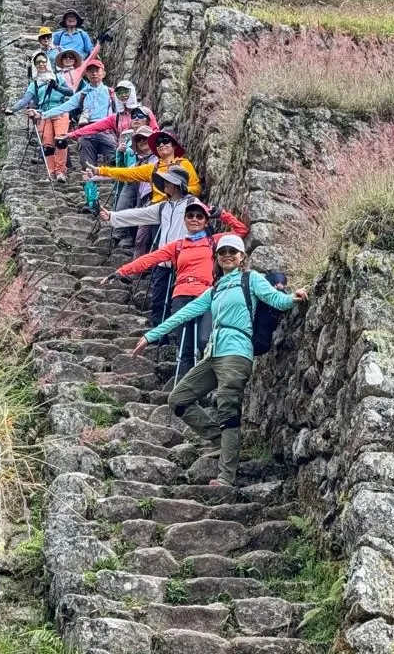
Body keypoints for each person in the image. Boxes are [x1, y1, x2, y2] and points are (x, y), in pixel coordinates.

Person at [132, 234, 309, 487]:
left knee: (227, 406)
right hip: (213, 354)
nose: (227, 255)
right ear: (217, 257)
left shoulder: (251, 280)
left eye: (232, 251)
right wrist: (150, 336)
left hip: (237, 352)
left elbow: (276, 299)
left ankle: (226, 476)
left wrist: (294, 297)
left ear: (241, 257)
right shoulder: (214, 290)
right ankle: (219, 439)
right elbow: (184, 313)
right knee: (178, 399)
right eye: (222, 251)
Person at [111, 197, 249, 379]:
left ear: (206, 221)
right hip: (182, 296)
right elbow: (149, 259)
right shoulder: (177, 246)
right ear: (184, 220)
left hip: (207, 295)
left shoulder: (213, 242)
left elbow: (241, 231)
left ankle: (207, 383)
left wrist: (222, 214)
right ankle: (184, 394)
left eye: (200, 216)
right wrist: (121, 271)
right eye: (190, 215)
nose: (194, 219)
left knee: (204, 340)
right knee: (185, 347)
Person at [99, 165, 194, 326]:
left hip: (184, 263)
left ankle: (176, 341)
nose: (165, 185)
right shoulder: (164, 206)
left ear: (178, 185)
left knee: (179, 303)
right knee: (158, 302)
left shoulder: (192, 205)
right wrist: (112, 216)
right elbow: (140, 214)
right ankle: (160, 338)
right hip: (163, 262)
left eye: (168, 182)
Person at [4, 53, 74, 181]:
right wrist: (13, 109)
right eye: (38, 63)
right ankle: (52, 173)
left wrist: (57, 87)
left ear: (48, 62)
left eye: (43, 61)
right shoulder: (35, 83)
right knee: (47, 145)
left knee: (60, 140)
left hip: (60, 111)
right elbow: (26, 99)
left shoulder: (58, 77)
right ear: (35, 66)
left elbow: (70, 92)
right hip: (44, 113)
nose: (41, 64)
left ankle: (60, 171)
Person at [87, 130, 201, 204]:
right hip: (156, 207)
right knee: (142, 238)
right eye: (158, 143)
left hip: (179, 205)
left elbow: (196, 188)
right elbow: (127, 173)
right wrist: (99, 170)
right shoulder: (152, 168)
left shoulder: (184, 164)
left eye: (165, 141)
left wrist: (179, 192)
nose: (161, 145)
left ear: (174, 145)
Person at [44, 60, 118, 170]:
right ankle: (90, 186)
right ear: (86, 74)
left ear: (103, 73)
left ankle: (118, 183)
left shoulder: (111, 93)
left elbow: (121, 112)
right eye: (90, 71)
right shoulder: (82, 94)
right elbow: (65, 106)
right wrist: (44, 114)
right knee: (87, 166)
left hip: (106, 131)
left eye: (97, 71)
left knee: (115, 161)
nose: (94, 74)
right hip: (86, 132)